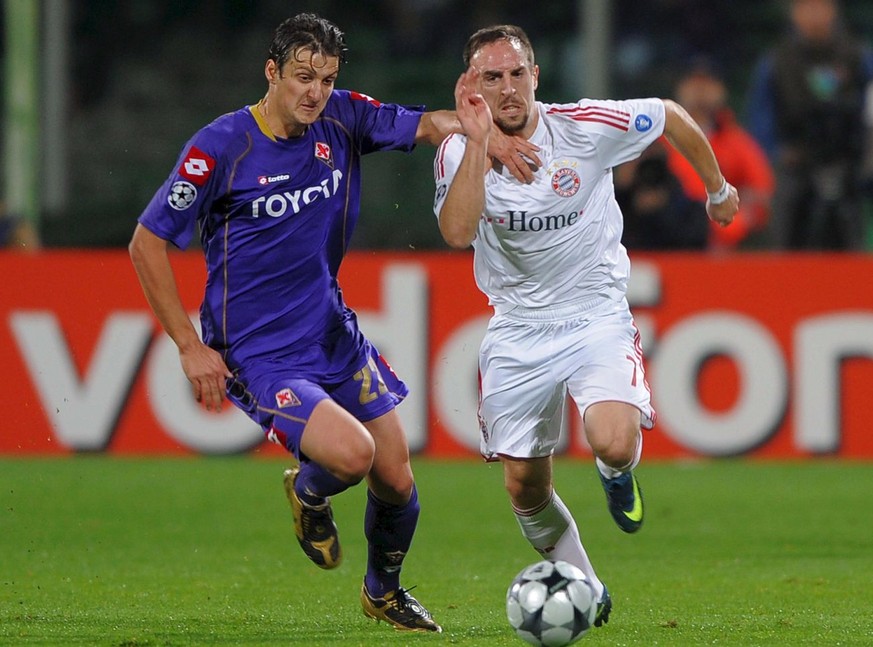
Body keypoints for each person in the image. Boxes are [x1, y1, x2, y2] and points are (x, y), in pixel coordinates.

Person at [128, 13, 536, 634]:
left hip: (331, 332)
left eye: (325, 77)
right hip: (256, 353)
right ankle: (309, 492)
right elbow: (146, 243)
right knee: (352, 455)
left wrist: (488, 137)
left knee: (397, 479)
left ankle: (383, 592)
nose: (313, 92)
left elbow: (429, 124)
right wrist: (188, 346)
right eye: (300, 77)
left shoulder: (342, 116)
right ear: (271, 72)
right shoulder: (221, 147)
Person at [433, 24, 738, 627]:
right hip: (518, 327)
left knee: (614, 439)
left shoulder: (583, 126)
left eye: (517, 73)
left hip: (594, 311)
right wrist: (476, 144)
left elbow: (671, 115)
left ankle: (616, 474)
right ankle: (590, 589)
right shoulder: (456, 150)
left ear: (537, 76)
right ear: (472, 86)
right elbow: (457, 233)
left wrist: (718, 188)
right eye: (491, 77)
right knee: (524, 486)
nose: (508, 88)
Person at [746, 0, 873, 250]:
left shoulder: (858, 57)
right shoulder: (776, 62)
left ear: (833, 11)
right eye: (807, 7)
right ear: (795, 13)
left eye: (821, 7)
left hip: (846, 164)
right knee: (785, 241)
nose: (815, 15)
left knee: (851, 244)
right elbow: (761, 120)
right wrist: (776, 155)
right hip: (794, 165)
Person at [667, 60, 775, 250]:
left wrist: (731, 225)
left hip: (728, 244)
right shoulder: (656, 142)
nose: (700, 89)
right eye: (693, 82)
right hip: (671, 239)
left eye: (708, 82)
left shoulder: (738, 142)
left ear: (721, 89)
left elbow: (761, 194)